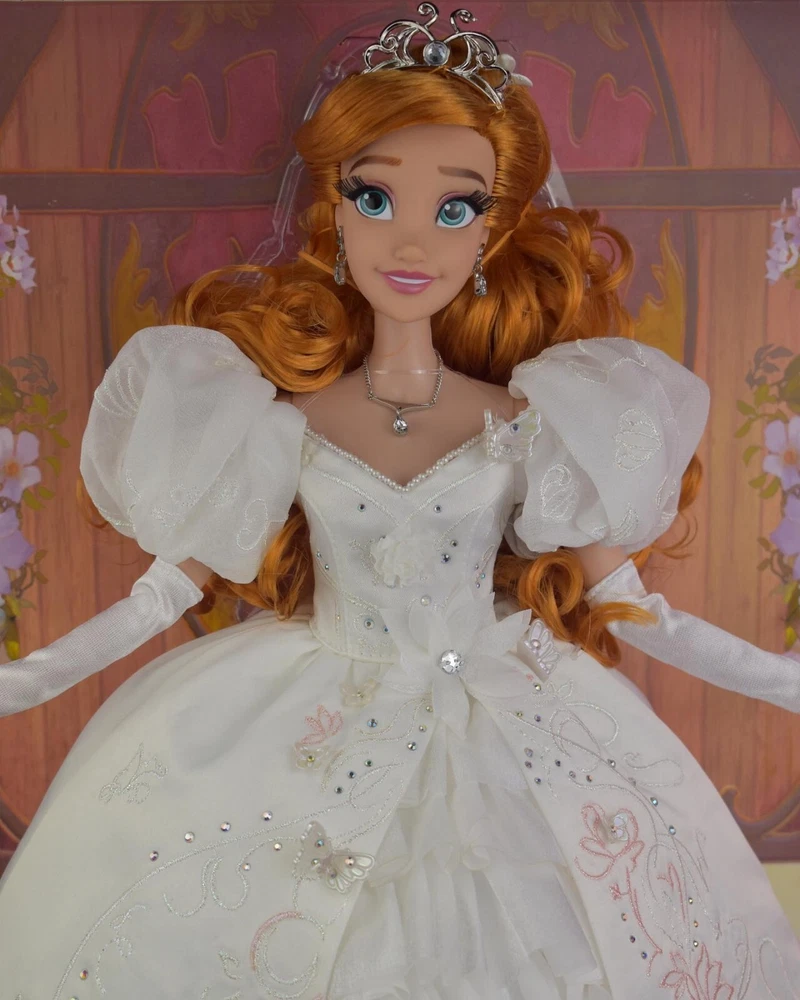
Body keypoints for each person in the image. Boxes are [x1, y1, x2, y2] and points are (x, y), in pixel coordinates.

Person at [1, 5, 799, 997]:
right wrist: (23, 683)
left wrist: (778, 680)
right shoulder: (279, 421)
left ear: (491, 229)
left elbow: (634, 602)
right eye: (375, 197)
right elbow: (161, 595)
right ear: (335, 213)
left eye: (454, 208)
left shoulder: (529, 417)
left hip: (505, 708)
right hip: (319, 699)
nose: (411, 239)